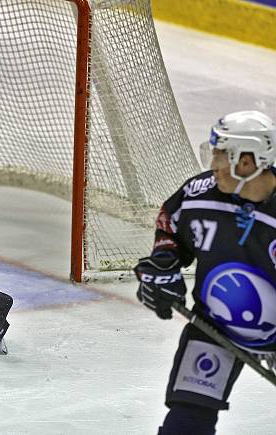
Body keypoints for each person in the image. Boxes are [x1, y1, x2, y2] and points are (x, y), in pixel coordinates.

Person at [134, 110, 276, 434]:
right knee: (187, 421)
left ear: (248, 161)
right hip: (216, 325)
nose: (213, 164)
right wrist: (164, 266)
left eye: (221, 154)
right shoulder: (199, 194)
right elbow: (170, 228)